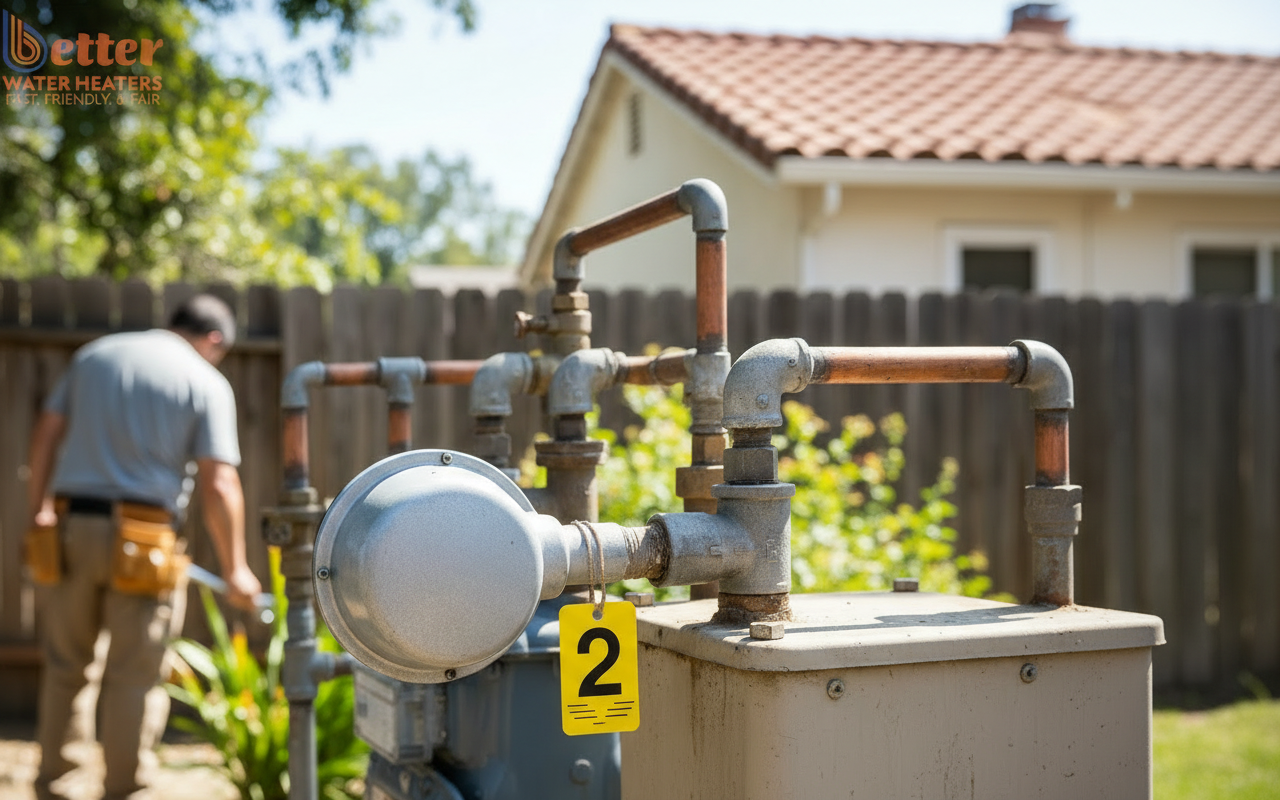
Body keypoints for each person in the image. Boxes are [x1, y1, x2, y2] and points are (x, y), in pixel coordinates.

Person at [25, 293, 263, 800]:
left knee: (67, 665)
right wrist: (237, 568)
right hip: (146, 542)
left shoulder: (95, 356)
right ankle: (126, 790)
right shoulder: (205, 380)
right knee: (135, 675)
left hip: (70, 529)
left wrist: (40, 509)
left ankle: (55, 786)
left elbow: (45, 433)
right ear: (215, 340)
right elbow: (221, 483)